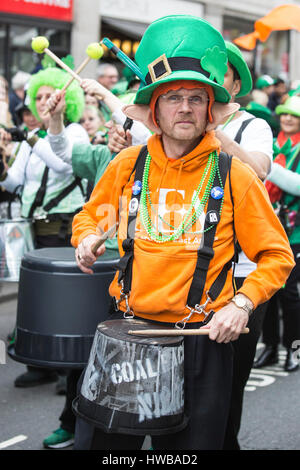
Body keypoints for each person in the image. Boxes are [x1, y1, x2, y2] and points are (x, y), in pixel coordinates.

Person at [71, 15, 294, 450]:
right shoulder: (127, 165)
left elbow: (276, 255)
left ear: (212, 110)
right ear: (153, 109)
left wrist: (243, 305)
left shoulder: (235, 176)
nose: (186, 107)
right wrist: (87, 238)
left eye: (197, 97)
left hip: (203, 341)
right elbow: (91, 216)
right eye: (173, 97)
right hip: (129, 333)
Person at [0, 64, 88, 409]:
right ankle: (40, 363)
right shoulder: (28, 138)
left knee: (62, 303)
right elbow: (14, 183)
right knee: (34, 299)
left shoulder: (76, 132)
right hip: (33, 228)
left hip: (63, 227)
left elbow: (64, 163)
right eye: (36, 97)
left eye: (48, 96)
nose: (41, 102)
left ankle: (68, 370)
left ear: (65, 100)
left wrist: (32, 138)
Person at [214, 42, 274, 450]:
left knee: (228, 383)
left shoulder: (253, 127)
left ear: (234, 84)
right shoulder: (177, 125)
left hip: (241, 278)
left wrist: (213, 133)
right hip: (186, 275)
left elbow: (258, 171)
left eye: (218, 72)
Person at [254, 95, 300, 373]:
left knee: (290, 294)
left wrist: (268, 167)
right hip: (264, 225)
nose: (288, 118)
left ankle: (293, 349)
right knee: (266, 293)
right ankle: (269, 348)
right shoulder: (269, 143)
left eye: (294, 115)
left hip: (294, 231)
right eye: (285, 114)